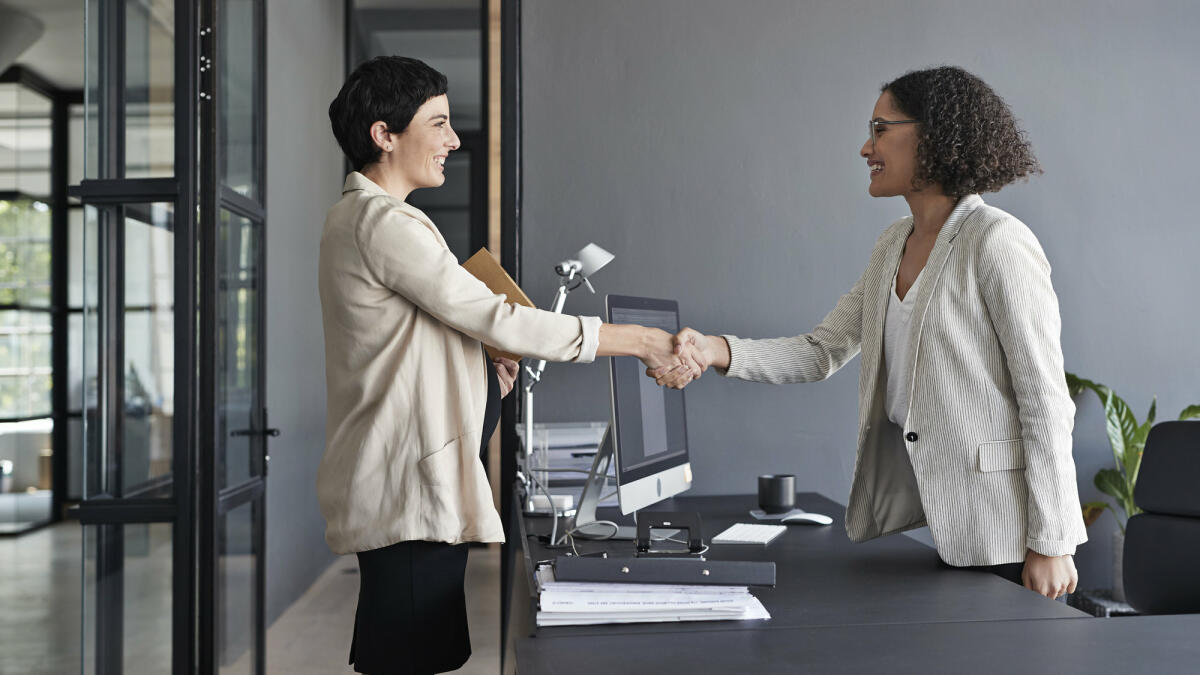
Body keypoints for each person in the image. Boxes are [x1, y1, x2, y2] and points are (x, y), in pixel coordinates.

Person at [654, 66, 1086, 599]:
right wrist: (714, 350)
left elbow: (1044, 400)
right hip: (945, 527)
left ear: (934, 136)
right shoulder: (892, 245)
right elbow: (820, 351)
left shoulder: (997, 242)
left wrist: (1053, 542)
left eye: (881, 129)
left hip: (1011, 542)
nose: (866, 147)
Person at [319, 56, 688, 675]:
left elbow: (420, 342)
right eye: (437, 123)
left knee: (412, 656)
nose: (453, 140)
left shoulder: (368, 220)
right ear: (385, 134)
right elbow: (499, 319)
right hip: (409, 499)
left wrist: (479, 372)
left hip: (411, 493)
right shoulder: (382, 223)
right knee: (408, 660)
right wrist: (641, 341)